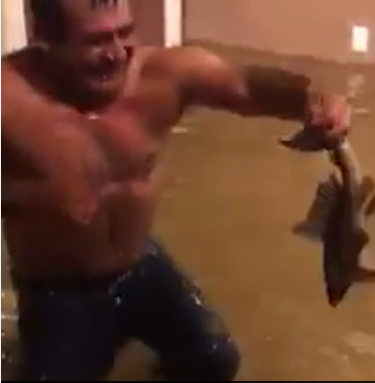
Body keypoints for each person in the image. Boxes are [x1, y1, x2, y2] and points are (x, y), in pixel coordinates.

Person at [1, 0, 350, 380]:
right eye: (96, 41)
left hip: (142, 266)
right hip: (61, 297)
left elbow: (247, 85)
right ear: (44, 40)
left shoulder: (164, 75)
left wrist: (314, 100)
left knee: (216, 363)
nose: (117, 53)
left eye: (125, 32)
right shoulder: (10, 104)